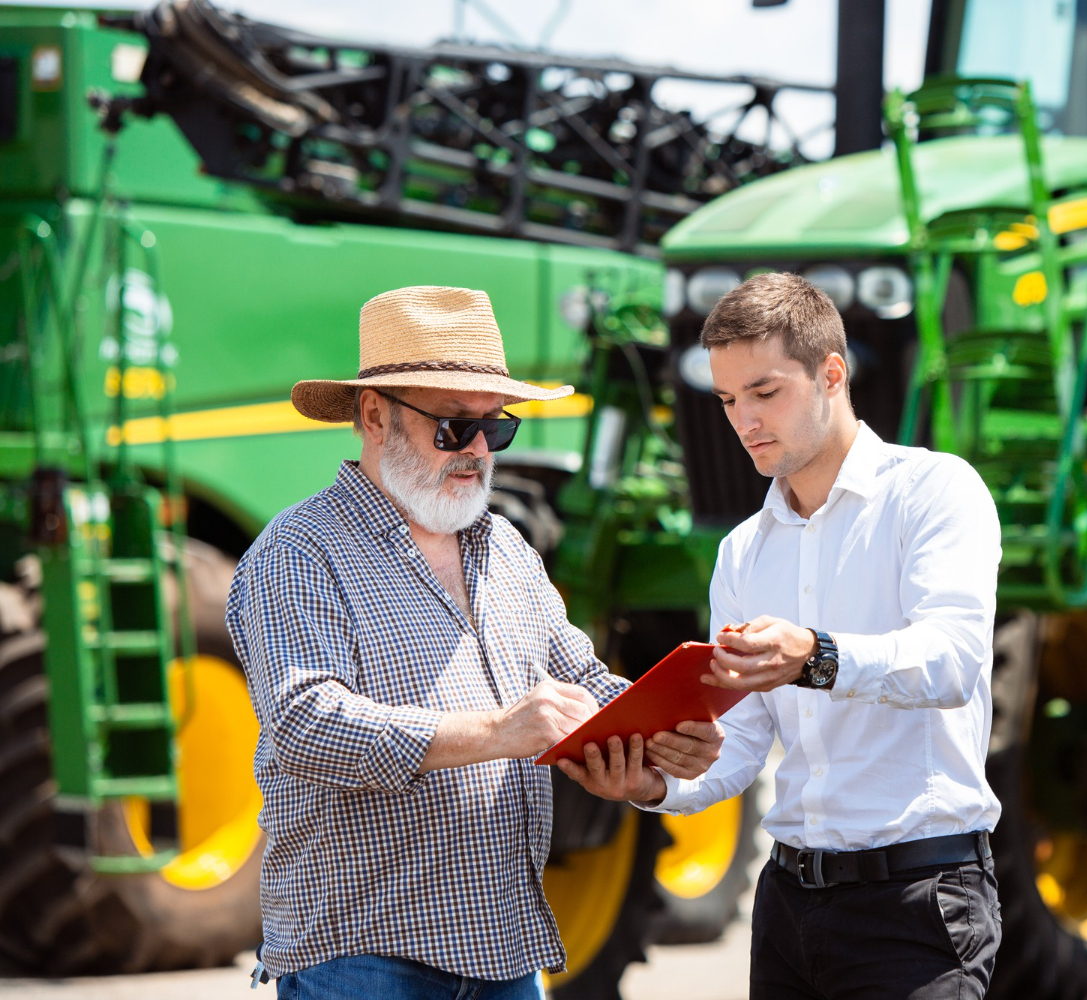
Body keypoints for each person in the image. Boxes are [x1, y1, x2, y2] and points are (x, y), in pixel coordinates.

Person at [226, 286, 723, 1000]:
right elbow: (307, 724)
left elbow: (581, 680)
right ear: (374, 416)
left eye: (498, 428)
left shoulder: (508, 548)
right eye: (456, 428)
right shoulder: (300, 552)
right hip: (362, 957)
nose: (481, 450)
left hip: (503, 949)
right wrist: (497, 731)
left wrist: (659, 749)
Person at [565, 272, 1004, 999]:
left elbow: (952, 662)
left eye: (765, 393)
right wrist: (654, 783)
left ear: (833, 374)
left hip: (918, 901)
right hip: (787, 906)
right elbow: (740, 742)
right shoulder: (744, 550)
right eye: (729, 401)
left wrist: (816, 655)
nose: (745, 421)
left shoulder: (935, 492)